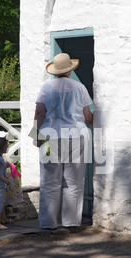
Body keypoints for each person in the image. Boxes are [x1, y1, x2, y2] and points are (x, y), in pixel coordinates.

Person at [32, 53, 94, 230]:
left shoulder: (46, 88)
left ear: (54, 71)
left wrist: (35, 135)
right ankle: (71, 222)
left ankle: (48, 223)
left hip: (50, 136)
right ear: (70, 70)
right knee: (74, 181)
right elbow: (87, 116)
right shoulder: (80, 87)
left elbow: (38, 113)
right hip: (76, 136)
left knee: (49, 180)